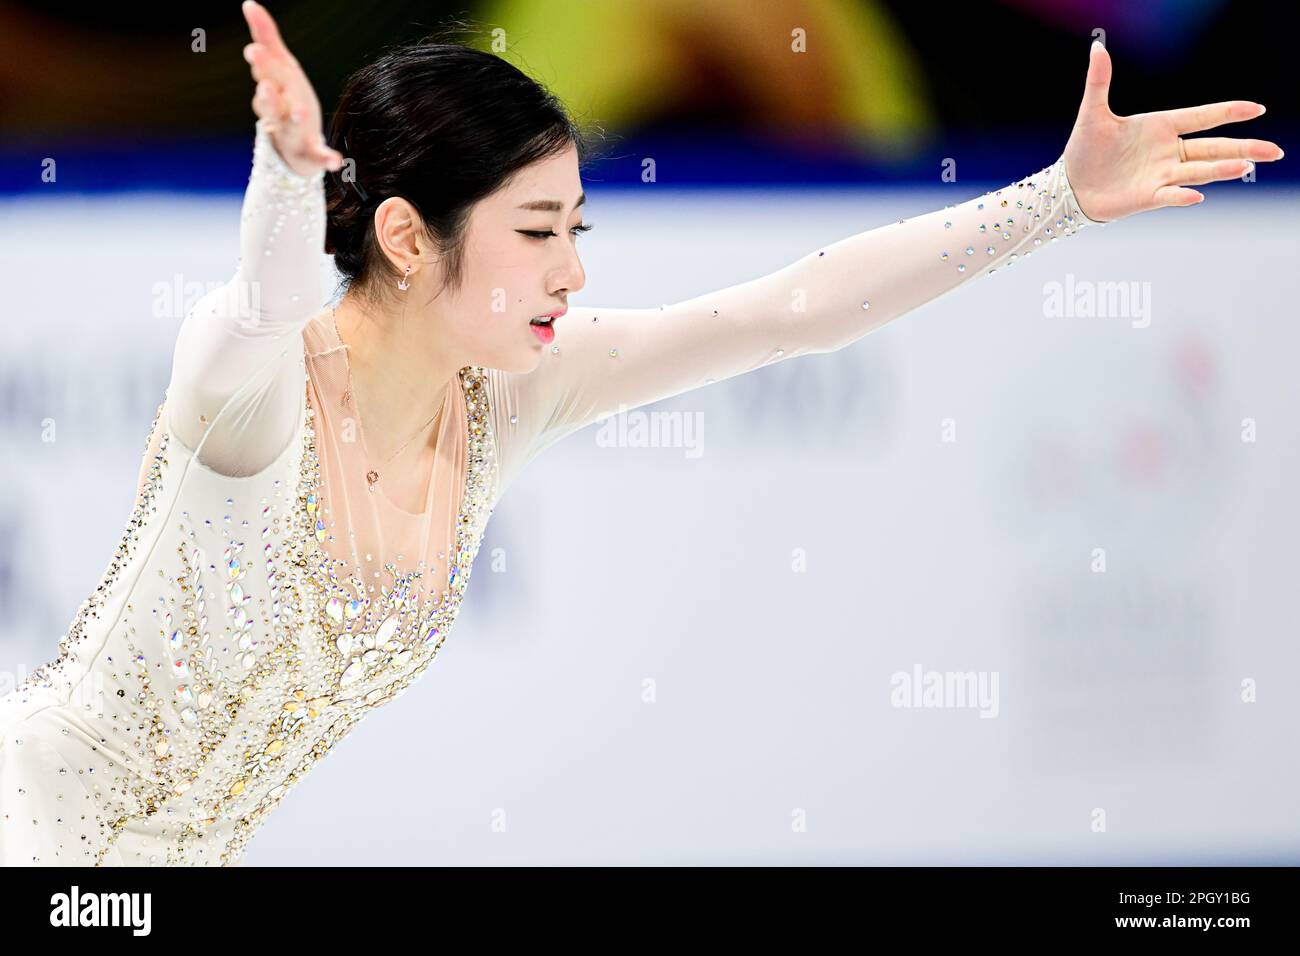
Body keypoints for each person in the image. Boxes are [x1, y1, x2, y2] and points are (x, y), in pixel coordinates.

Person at [0, 0, 1280, 866]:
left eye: (577, 231)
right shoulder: (256, 388)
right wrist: (286, 175)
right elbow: (262, 296)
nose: (569, 271)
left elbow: (790, 308)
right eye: (537, 231)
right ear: (404, 235)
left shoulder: (514, 394)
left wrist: (1053, 202)